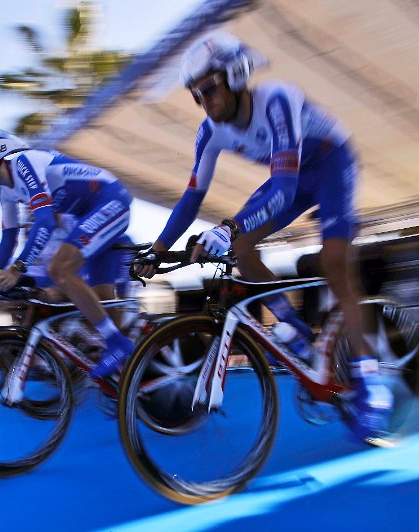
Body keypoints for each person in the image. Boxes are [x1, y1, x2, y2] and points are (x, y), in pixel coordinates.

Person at [133, 32, 392, 439]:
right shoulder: (209, 132)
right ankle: (292, 328)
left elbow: (284, 189)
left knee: (335, 264)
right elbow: (190, 198)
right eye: (197, 96)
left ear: (236, 76)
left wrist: (228, 225)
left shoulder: (276, 99)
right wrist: (158, 250)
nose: (205, 103)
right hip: (290, 177)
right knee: (241, 247)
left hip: (330, 164)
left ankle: (371, 380)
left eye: (210, 90)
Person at [0, 124, 135, 378]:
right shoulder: (4, 190)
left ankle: (119, 344)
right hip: (89, 213)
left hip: (110, 199)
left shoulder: (24, 163)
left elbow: (46, 221)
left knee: (60, 269)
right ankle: (129, 376)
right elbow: (7, 241)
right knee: (103, 296)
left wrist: (17, 270)